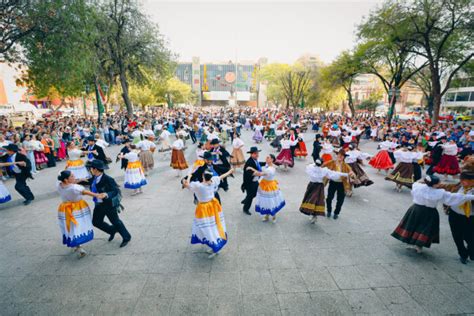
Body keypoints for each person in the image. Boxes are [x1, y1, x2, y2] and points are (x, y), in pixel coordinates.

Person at [391, 175, 474, 254]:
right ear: (434, 184)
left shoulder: (418, 186)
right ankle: (418, 245)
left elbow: (417, 182)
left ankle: (411, 242)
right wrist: (471, 197)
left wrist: (423, 180)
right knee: (425, 228)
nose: (440, 184)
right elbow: (455, 197)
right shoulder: (439, 192)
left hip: (415, 209)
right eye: (438, 183)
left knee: (413, 225)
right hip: (429, 212)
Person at [183, 168, 234, 258]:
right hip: (213, 206)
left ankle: (215, 246)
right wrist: (230, 171)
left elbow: (186, 184)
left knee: (208, 228)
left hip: (204, 209)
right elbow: (222, 176)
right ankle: (214, 245)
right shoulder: (213, 181)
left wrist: (189, 176)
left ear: (203, 176)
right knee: (213, 226)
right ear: (210, 176)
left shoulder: (199, 186)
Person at [86, 159, 131, 248]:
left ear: (95, 169)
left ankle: (126, 237)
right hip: (98, 205)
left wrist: (106, 194)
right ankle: (112, 230)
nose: (90, 170)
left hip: (108, 205)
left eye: (91, 168)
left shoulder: (108, 179)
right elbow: (89, 183)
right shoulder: (93, 178)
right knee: (96, 222)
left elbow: (115, 190)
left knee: (115, 222)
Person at [57, 170, 99, 258]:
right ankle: (79, 247)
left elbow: (70, 184)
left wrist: (80, 180)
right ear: (66, 179)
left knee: (70, 227)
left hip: (64, 208)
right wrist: (97, 195)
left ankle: (75, 244)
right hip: (77, 208)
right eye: (72, 176)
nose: (74, 177)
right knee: (77, 227)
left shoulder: (59, 185)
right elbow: (85, 192)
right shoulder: (75, 188)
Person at [438, 169, 474, 264]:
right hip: (454, 215)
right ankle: (463, 254)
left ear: (472, 181)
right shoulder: (458, 186)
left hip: (470, 218)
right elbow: (446, 187)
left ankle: (471, 251)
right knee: (457, 236)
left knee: (470, 237)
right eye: (461, 179)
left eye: (464, 180)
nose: (462, 182)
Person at [299, 159, 348, 223]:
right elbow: (334, 174)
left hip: (312, 185)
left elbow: (308, 168)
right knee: (317, 200)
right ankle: (314, 215)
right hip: (319, 186)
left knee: (312, 199)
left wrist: (345, 174)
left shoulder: (310, 167)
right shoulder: (323, 170)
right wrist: (346, 174)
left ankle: (313, 215)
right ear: (322, 164)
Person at [247, 154, 285, 223]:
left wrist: (251, 169)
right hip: (265, 184)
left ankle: (273, 215)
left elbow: (259, 173)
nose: (266, 159)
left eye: (268, 158)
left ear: (272, 159)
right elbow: (262, 170)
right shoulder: (268, 166)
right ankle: (267, 215)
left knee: (271, 201)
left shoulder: (270, 169)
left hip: (269, 186)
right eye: (266, 157)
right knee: (265, 201)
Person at [323, 149, 353, 219]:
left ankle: (336, 212)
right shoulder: (331, 162)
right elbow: (322, 165)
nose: (340, 156)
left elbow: (352, 173)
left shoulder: (346, 166)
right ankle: (329, 211)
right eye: (339, 155)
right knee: (329, 198)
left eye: (342, 155)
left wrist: (351, 174)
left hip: (341, 184)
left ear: (344, 157)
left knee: (340, 200)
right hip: (333, 183)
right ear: (337, 155)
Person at [241, 147, 265, 215]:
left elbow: (258, 164)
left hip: (255, 181)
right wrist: (265, 173)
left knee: (255, 194)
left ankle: (245, 200)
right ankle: (245, 209)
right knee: (250, 196)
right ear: (251, 154)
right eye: (255, 153)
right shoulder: (249, 163)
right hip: (249, 183)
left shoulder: (255, 160)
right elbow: (254, 173)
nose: (257, 154)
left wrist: (266, 163)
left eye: (257, 153)